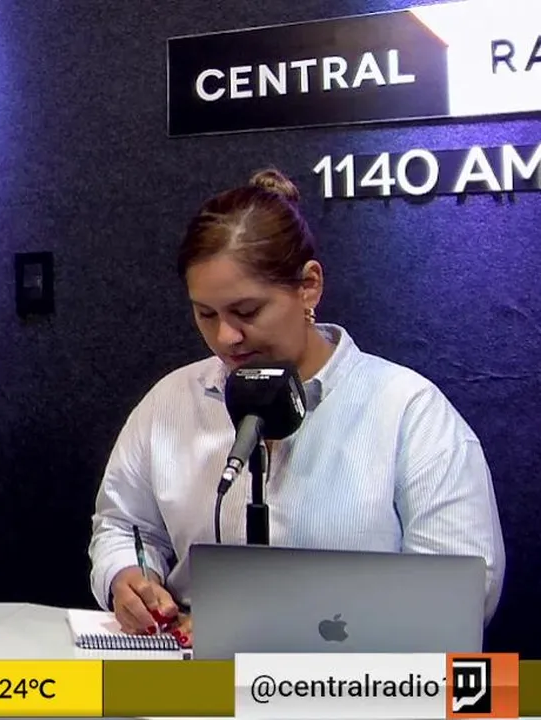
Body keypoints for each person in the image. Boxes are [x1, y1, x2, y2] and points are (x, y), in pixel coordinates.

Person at [88, 169, 505, 647]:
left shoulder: (409, 412)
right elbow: (122, 526)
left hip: (357, 682)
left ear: (309, 286)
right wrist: (126, 576)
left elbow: (459, 593)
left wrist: (277, 625)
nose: (226, 336)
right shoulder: (170, 402)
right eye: (206, 314)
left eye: (247, 312)